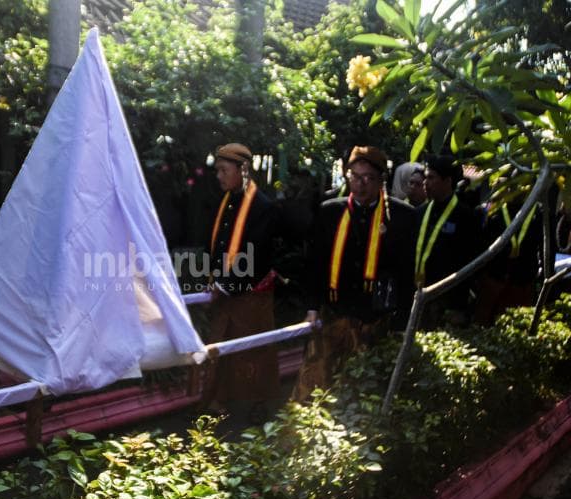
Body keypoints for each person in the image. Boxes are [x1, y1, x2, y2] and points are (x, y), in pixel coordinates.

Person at [292, 146, 416, 403]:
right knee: (314, 389)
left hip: (376, 318)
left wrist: (401, 322)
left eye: (368, 178)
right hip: (334, 313)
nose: (359, 185)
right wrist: (312, 307)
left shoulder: (402, 216)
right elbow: (314, 264)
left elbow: (406, 273)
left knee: (364, 393)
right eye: (354, 176)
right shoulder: (330, 211)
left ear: (381, 180)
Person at [202, 143, 280, 421]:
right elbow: (219, 246)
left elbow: (256, 256)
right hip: (227, 288)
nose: (219, 177)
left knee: (253, 350)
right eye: (217, 171)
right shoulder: (226, 201)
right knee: (223, 345)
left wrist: (224, 285)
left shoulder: (263, 206)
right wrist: (213, 279)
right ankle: (220, 400)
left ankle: (257, 404)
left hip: (251, 293)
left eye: (224, 170)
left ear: (243, 170)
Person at [415, 154, 481, 328]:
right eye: (425, 177)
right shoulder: (419, 212)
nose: (425, 183)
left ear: (447, 181)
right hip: (419, 295)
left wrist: (459, 307)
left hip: (449, 301)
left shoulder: (465, 216)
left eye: (431, 178)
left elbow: (471, 260)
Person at [474, 199, 542, 325]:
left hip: (522, 280)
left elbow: (546, 249)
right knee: (483, 321)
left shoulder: (540, 212)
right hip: (493, 277)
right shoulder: (490, 210)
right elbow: (479, 245)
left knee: (518, 324)